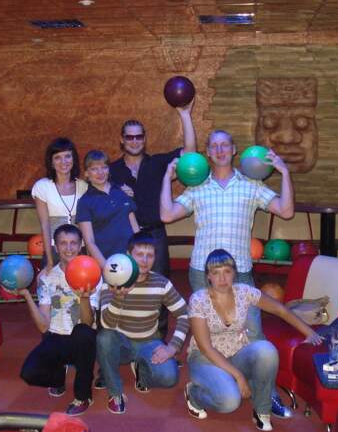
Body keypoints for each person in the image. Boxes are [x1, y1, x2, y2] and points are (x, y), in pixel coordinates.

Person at [160, 129, 295, 417]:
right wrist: (166, 180)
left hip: (241, 272)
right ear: (208, 153)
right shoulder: (197, 187)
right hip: (203, 273)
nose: (220, 150)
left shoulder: (251, 184)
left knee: (255, 334)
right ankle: (212, 380)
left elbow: (285, 211)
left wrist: (284, 173)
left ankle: (267, 393)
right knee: (208, 335)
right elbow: (167, 215)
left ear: (234, 150)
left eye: (225, 145)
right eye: (214, 146)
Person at [185, 249, 323, 431]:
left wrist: (309, 332)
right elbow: (206, 348)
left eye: (227, 271)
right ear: (208, 276)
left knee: (266, 350)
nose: (222, 278)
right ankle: (194, 394)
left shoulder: (244, 292)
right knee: (229, 402)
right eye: (216, 273)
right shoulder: (198, 300)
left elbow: (279, 309)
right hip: (205, 359)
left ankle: (262, 411)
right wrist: (238, 376)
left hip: (236, 353)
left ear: (234, 273)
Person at [109, 102, 197, 342]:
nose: (134, 141)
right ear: (122, 140)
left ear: (144, 139)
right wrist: (117, 193)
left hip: (154, 236)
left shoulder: (158, 164)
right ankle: (123, 342)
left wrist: (185, 115)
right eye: (130, 137)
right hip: (124, 236)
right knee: (121, 288)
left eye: (139, 137)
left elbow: (189, 153)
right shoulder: (111, 170)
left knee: (158, 290)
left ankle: (157, 344)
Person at [96, 232, 190, 414]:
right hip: (121, 344)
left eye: (150, 255)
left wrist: (172, 347)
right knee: (104, 338)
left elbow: (184, 314)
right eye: (139, 254)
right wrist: (118, 298)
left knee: (169, 378)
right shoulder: (112, 281)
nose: (145, 260)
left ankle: (142, 370)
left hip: (149, 342)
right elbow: (106, 325)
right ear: (128, 255)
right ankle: (115, 393)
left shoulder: (161, 283)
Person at [17, 224, 99, 416]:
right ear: (55, 246)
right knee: (29, 374)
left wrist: (84, 298)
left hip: (82, 340)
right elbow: (43, 326)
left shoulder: (93, 273)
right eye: (63, 243)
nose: (69, 248)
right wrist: (27, 296)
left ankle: (83, 396)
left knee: (83, 333)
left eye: (73, 243)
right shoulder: (47, 278)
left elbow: (87, 323)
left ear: (81, 245)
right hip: (56, 336)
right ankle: (57, 377)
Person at [76, 150, 139, 269]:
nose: (100, 173)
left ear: (109, 170)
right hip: (107, 263)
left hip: (131, 260)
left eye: (104, 167)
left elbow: (135, 228)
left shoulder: (121, 191)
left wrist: (139, 256)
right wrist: (107, 267)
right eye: (94, 169)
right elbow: (89, 242)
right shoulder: (84, 202)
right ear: (86, 173)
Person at [31, 138, 87, 270]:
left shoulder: (84, 186)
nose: (63, 162)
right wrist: (49, 260)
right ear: (51, 162)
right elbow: (45, 224)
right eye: (57, 158)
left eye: (67, 156)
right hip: (54, 250)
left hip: (80, 249)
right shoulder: (42, 187)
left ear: (73, 159)